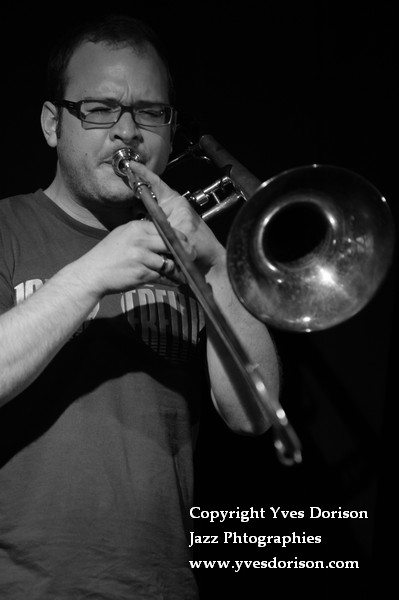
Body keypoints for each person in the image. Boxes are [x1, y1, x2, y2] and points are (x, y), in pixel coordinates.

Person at [0, 13, 280, 599]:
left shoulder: (187, 251)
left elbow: (254, 415)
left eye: (150, 113)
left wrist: (215, 265)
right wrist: (92, 275)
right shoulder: (7, 227)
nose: (128, 133)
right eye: (100, 109)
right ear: (54, 124)